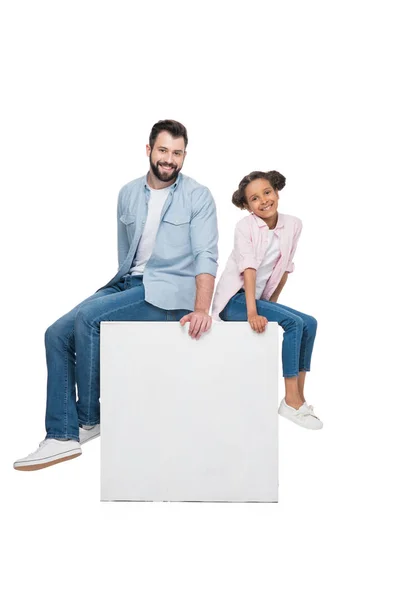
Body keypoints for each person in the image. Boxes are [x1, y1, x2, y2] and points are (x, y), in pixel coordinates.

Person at [14, 120, 219, 471]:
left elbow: (206, 255)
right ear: (149, 150)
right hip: (127, 284)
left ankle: (87, 419)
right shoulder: (127, 193)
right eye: (163, 150)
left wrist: (202, 308)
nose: (170, 159)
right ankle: (62, 435)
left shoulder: (198, 196)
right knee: (56, 333)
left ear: (185, 156)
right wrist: (116, 292)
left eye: (178, 153)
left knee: (89, 319)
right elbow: (128, 254)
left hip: (168, 292)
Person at [212, 170, 322, 430]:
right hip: (234, 300)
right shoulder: (245, 227)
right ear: (247, 206)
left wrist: (270, 305)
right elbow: (248, 269)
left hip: (258, 299)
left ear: (276, 191)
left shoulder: (293, 225)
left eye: (267, 193)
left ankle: (299, 398)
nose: (263, 201)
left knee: (310, 322)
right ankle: (291, 401)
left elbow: (284, 269)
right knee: (294, 324)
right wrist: (253, 312)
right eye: (254, 199)